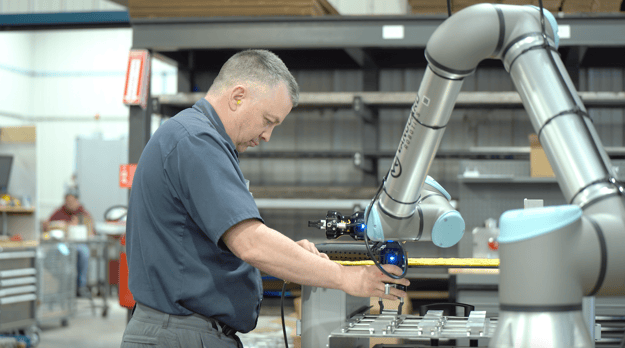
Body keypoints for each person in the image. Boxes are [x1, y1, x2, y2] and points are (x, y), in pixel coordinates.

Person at [121, 49, 409, 348]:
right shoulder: (196, 141)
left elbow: (209, 247)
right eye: (267, 120)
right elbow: (251, 244)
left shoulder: (192, 137)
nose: (267, 135)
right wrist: (348, 278)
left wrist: (290, 257)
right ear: (238, 97)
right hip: (181, 335)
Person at [45, 188, 92, 298]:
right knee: (49, 257)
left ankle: (80, 286)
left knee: (84, 252)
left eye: (71, 201)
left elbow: (90, 230)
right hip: (62, 245)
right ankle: (63, 281)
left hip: (78, 244)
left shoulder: (83, 214)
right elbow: (48, 225)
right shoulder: (59, 212)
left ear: (77, 201)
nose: (69, 204)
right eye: (67, 201)